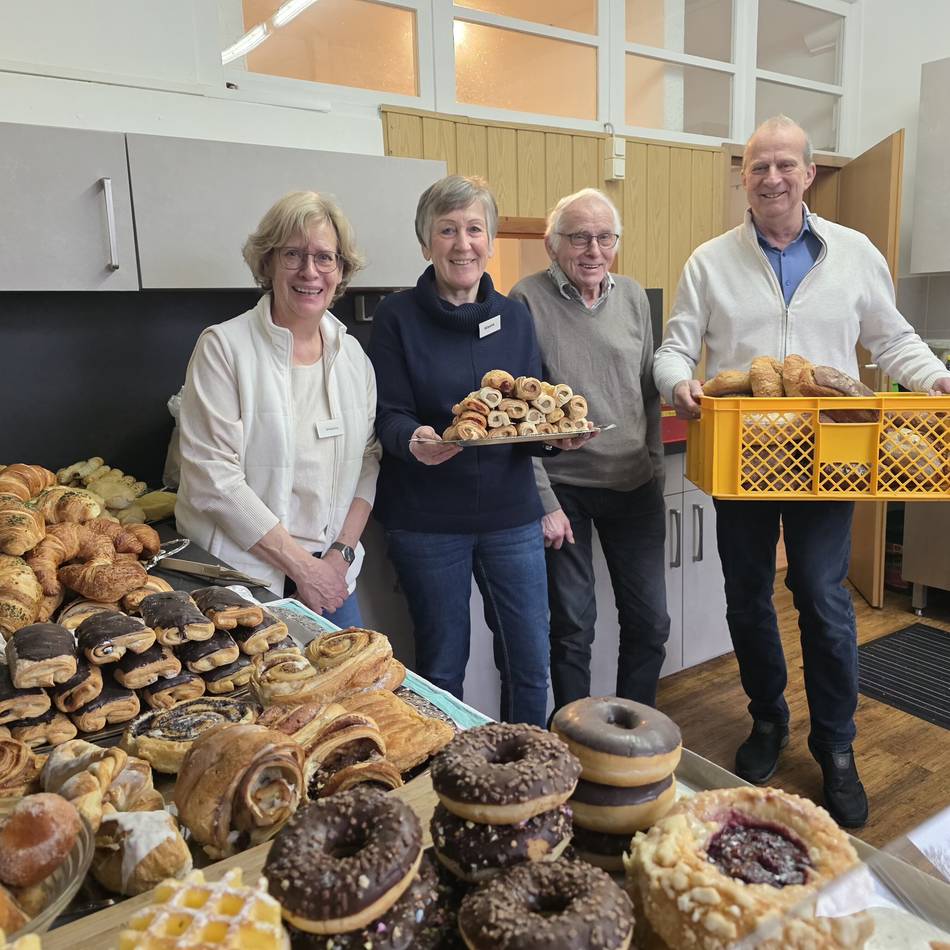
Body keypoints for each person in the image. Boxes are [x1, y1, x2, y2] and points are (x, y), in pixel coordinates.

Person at [653, 115, 950, 828]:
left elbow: (893, 338)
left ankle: (837, 747)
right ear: (744, 178)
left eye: (786, 165)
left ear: (809, 174)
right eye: (759, 166)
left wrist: (937, 380)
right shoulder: (709, 261)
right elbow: (675, 346)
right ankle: (766, 718)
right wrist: (676, 384)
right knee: (748, 596)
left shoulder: (853, 254)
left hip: (832, 458)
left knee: (821, 595)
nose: (773, 178)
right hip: (741, 456)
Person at [369, 174, 589, 727]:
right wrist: (413, 440)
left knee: (529, 662)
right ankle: (451, 783)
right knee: (442, 669)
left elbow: (528, 411)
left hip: (511, 516)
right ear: (425, 242)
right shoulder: (396, 318)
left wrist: (557, 439)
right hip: (426, 520)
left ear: (490, 241)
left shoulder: (515, 317)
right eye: (447, 230)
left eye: (474, 229)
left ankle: (523, 777)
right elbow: (387, 413)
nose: (462, 243)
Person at [176, 191, 381, 626]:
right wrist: (303, 569)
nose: (310, 271)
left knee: (357, 691)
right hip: (240, 585)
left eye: (325, 257)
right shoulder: (224, 348)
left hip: (333, 575)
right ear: (267, 263)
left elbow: (367, 458)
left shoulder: (353, 357)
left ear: (341, 270)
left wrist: (339, 557)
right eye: (293, 254)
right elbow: (213, 479)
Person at [509, 188, 669, 713]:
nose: (593, 249)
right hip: (566, 489)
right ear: (553, 245)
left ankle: (632, 726)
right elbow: (520, 412)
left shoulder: (634, 299)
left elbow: (647, 391)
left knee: (650, 621)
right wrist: (544, 501)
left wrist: (655, 466)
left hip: (634, 483)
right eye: (579, 237)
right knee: (573, 625)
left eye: (604, 237)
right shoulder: (525, 300)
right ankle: (576, 735)